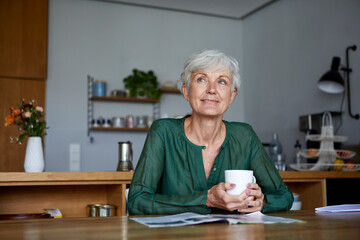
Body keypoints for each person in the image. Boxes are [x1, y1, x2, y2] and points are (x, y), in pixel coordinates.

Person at [128, 49, 293, 215]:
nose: (212, 89)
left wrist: (262, 202)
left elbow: (284, 195)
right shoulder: (163, 132)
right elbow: (137, 201)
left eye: (222, 82)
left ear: (231, 95)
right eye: (201, 79)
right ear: (186, 91)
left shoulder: (244, 136)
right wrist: (206, 199)